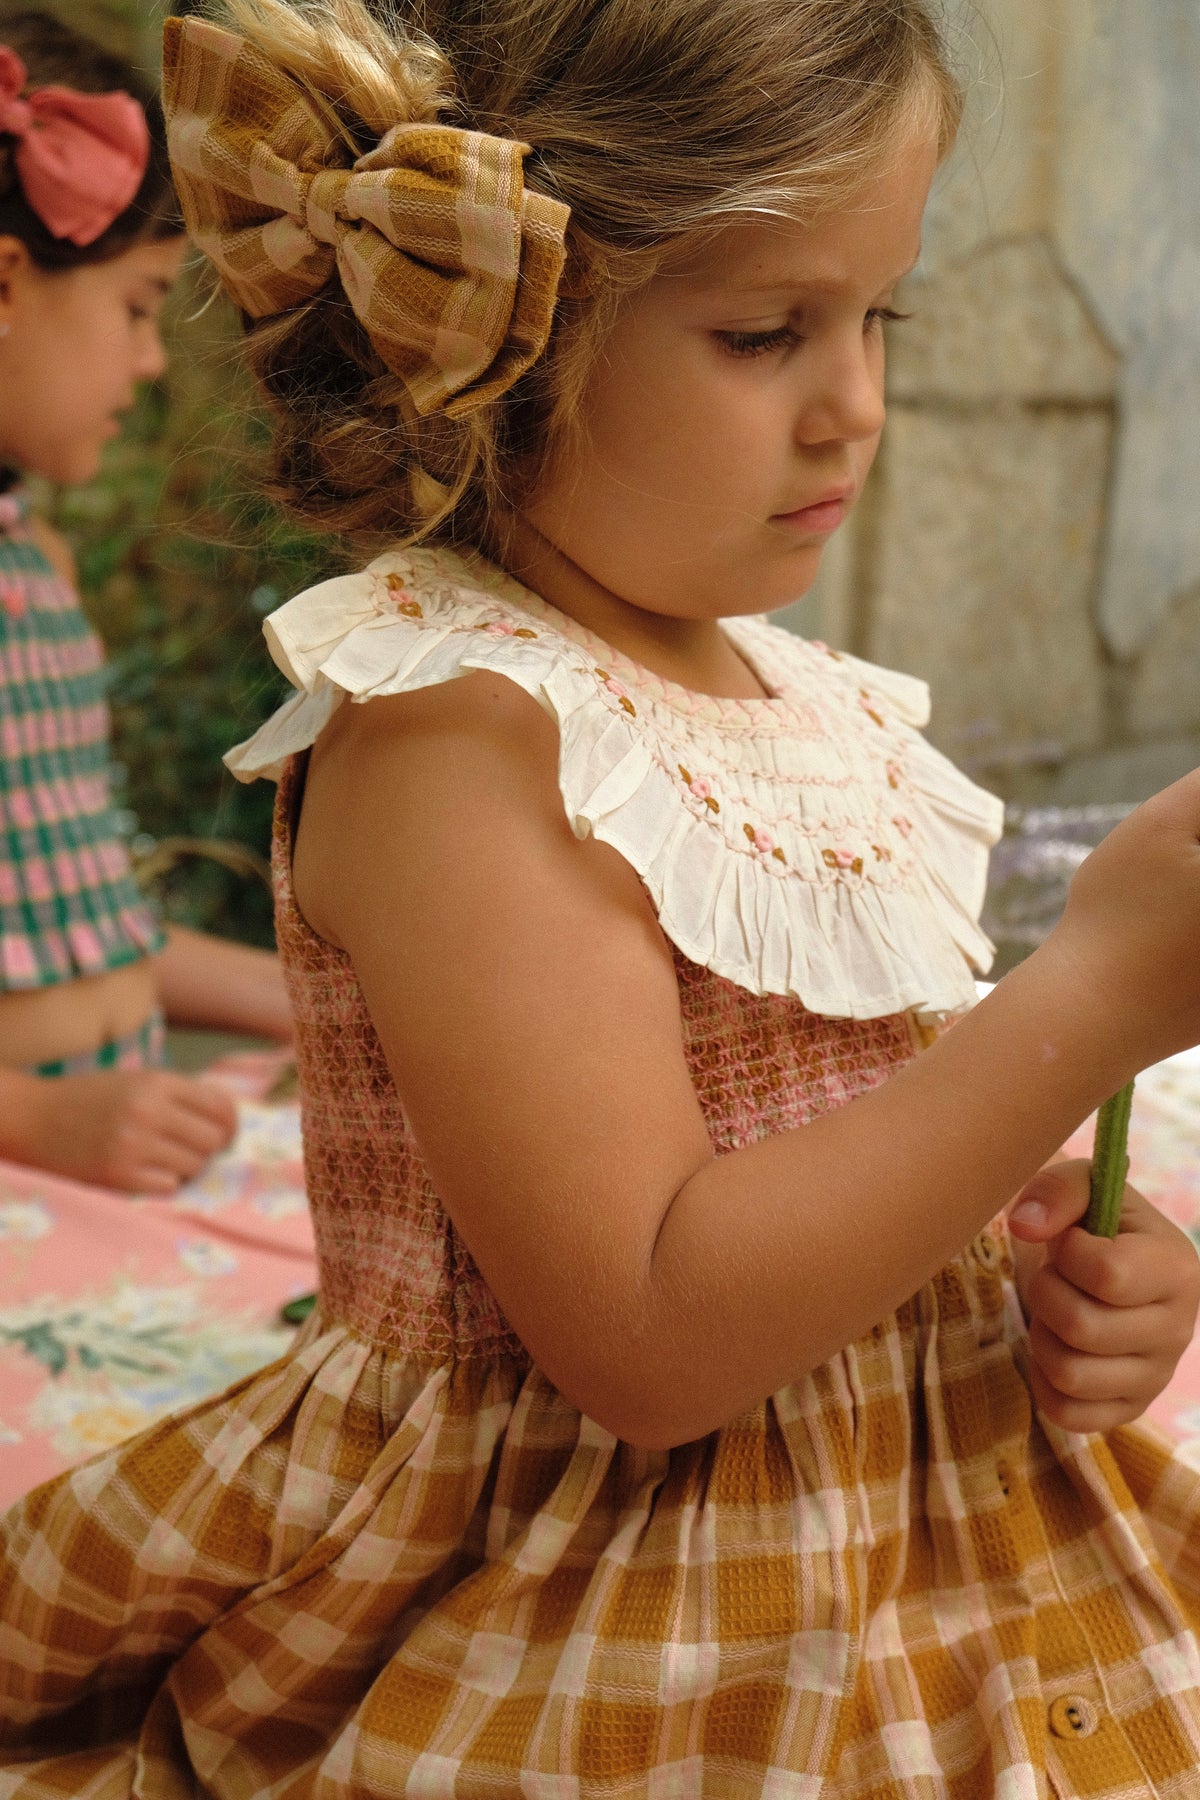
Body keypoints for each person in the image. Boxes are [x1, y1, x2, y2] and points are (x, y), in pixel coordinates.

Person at [4, 0, 1200, 1789]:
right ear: (500, 333)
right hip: (626, 1586)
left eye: (881, 316)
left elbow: (824, 1132)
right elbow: (647, 1328)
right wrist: (1085, 1003)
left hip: (926, 1528)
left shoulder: (780, 699)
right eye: (761, 331)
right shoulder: (458, 732)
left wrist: (1052, 1254)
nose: (854, 403)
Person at [0, 9, 292, 1197]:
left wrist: (320, 1005)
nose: (154, 359)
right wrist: (27, 1120)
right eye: (136, 305)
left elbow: (86, 926)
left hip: (96, 1191)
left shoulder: (39, 578)